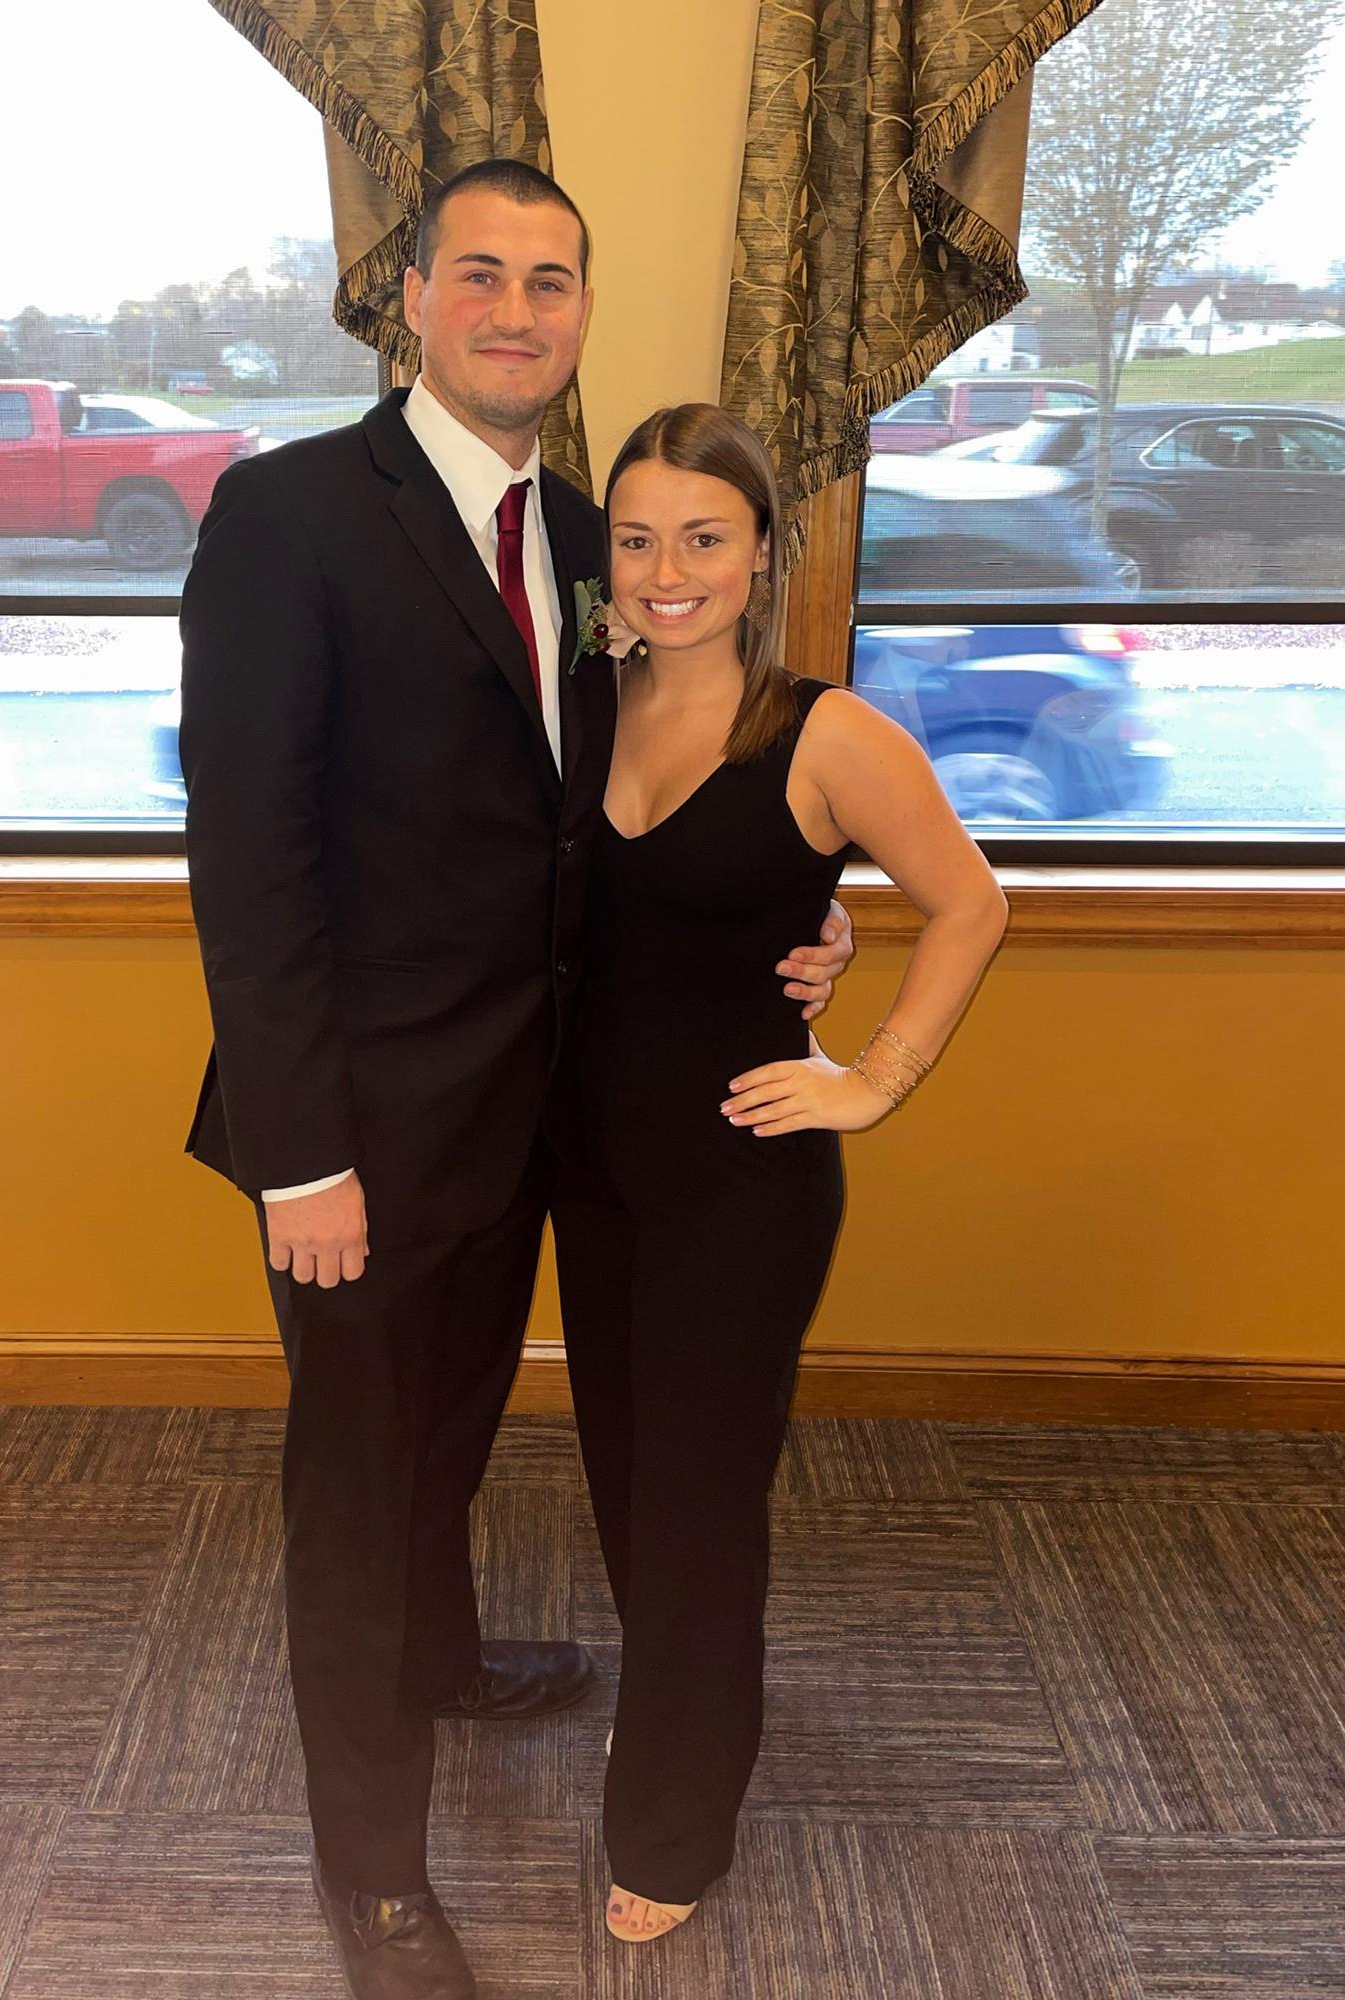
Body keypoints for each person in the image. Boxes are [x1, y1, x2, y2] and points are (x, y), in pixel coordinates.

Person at [177, 163, 853, 2000]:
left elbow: (619, 810)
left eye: (550, 280)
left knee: (452, 1444)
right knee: (360, 1495)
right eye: (477, 273)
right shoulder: (288, 514)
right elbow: (249, 858)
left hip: (544, 1117)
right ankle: (375, 1877)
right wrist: (300, 1155)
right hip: (361, 1141)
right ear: (409, 297)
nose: (514, 309)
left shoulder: (583, 533)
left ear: (579, 313)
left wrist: (799, 914)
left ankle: (450, 1661)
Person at [549, 402, 1010, 1946]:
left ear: (763, 551)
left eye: (704, 537)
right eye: (636, 539)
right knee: (627, 1471)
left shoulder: (825, 733)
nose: (666, 570)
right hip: (587, 1168)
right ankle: (684, 1694)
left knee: (695, 1497)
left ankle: (672, 1818)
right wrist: (816, 924)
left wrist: (873, 1078)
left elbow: (969, 904)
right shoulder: (579, 705)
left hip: (741, 1179)